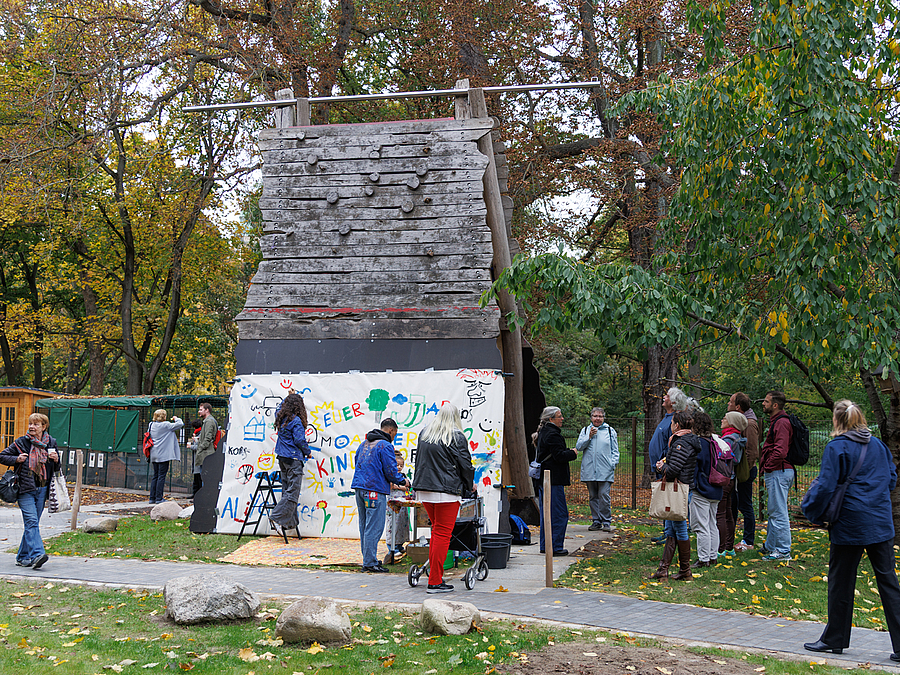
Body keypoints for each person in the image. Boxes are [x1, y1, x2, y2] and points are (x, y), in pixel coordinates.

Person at [801, 400, 900, 662]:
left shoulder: (837, 447)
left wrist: (810, 511)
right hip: (880, 522)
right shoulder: (878, 445)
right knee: (889, 582)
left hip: (849, 523)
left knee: (841, 581)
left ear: (837, 421)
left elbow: (825, 486)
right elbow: (891, 478)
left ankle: (834, 639)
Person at [412, 404, 474, 593]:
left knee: (436, 532)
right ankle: (435, 581)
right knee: (442, 534)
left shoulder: (425, 433)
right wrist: (469, 485)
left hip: (424, 488)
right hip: (446, 490)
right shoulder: (456, 435)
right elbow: (465, 464)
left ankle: (433, 577)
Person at [0, 412, 60, 570]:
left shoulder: (51, 442)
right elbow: (2, 455)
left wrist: (56, 460)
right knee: (32, 522)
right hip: (25, 490)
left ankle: (21, 557)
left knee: (31, 524)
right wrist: (16, 459)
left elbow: (56, 468)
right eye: (30, 424)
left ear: (43, 427)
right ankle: (37, 554)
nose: (32, 427)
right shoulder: (21, 442)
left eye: (36, 424)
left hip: (42, 489)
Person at [353, 418, 410, 574]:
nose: (394, 437)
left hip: (359, 487)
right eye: (395, 434)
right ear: (391, 431)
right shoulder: (385, 446)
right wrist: (403, 481)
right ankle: (370, 563)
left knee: (364, 525)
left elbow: (356, 461)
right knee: (374, 526)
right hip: (374, 490)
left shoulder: (364, 444)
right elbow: (391, 471)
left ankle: (368, 559)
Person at [650, 409, 699, 580]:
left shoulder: (681, 443)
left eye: (672, 423)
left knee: (679, 528)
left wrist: (661, 467)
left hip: (679, 491)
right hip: (678, 489)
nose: (670, 425)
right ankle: (663, 570)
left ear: (677, 425)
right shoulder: (684, 441)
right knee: (671, 529)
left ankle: (685, 571)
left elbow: (673, 470)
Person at [532, 406, 577, 557]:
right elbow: (559, 456)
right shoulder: (553, 434)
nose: (562, 418)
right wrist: (572, 453)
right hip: (553, 479)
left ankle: (546, 545)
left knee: (546, 513)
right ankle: (556, 546)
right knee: (558, 514)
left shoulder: (543, 432)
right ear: (551, 419)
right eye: (559, 416)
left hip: (544, 479)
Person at [648, 387, 690, 544]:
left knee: (669, 500)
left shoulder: (676, 420)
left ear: (673, 402)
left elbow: (672, 444)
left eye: (666, 396)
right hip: (660, 466)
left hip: (667, 467)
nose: (663, 397)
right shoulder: (667, 417)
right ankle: (667, 532)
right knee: (666, 499)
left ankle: (670, 535)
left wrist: (665, 462)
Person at [270, 393, 312, 537]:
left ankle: (288, 523)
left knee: (286, 490)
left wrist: (287, 397)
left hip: (282, 457)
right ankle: (276, 517)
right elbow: (300, 440)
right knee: (292, 492)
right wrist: (308, 452)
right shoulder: (296, 421)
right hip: (293, 458)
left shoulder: (280, 416)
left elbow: (278, 406)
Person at [760, 390, 794, 561]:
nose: (763, 404)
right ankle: (772, 546)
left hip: (779, 471)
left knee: (779, 511)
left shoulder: (781, 423)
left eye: (766, 402)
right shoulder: (777, 421)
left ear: (775, 405)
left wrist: (768, 465)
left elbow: (780, 450)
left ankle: (783, 550)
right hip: (778, 470)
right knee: (774, 510)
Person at [576, 407, 619, 532]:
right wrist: (588, 436)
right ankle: (596, 521)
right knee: (593, 496)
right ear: (591, 417)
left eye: (600, 416)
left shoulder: (610, 431)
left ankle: (606, 521)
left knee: (604, 495)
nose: (597, 418)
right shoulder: (585, 430)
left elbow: (615, 451)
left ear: (603, 418)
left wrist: (612, 464)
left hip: (605, 470)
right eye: (595, 416)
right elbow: (579, 446)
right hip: (590, 469)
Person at [689, 411, 722, 568]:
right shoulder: (716, 442)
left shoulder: (699, 444)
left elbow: (695, 466)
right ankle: (713, 556)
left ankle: (703, 559)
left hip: (702, 488)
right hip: (716, 487)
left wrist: (691, 484)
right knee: (712, 523)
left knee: (701, 525)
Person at [729, 392, 760, 552]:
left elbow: (751, 451)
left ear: (738, 406)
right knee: (733, 504)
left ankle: (748, 540)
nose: (728, 405)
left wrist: (743, 473)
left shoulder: (749, 424)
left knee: (745, 505)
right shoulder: (741, 422)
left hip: (745, 473)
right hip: (737, 473)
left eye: (730, 402)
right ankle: (730, 538)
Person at [715, 411, 747, 556]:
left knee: (720, 513)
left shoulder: (728, 439)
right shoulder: (737, 438)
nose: (722, 420)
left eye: (725, 418)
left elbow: (721, 457)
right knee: (728, 513)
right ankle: (728, 546)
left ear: (732, 423)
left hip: (723, 478)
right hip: (731, 479)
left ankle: (721, 548)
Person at [147, 409, 184, 505]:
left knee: (155, 475)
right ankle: (159, 498)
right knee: (161, 476)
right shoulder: (166, 425)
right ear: (163, 417)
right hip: (163, 455)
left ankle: (152, 498)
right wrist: (176, 418)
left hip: (153, 454)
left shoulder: (151, 425)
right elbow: (180, 424)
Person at [383, 450, 411, 564]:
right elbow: (390, 486)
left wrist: (398, 486)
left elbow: (408, 486)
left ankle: (400, 545)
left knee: (402, 524)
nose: (399, 467)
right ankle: (391, 547)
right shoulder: (389, 475)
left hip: (402, 504)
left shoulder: (403, 476)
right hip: (392, 503)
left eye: (401, 465)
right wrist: (400, 486)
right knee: (392, 524)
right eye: (397, 465)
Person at [193, 403, 219, 497]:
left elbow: (208, 438)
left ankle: (206, 498)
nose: (199, 411)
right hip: (206, 451)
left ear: (207, 410)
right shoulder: (207, 421)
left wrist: (200, 447)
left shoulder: (209, 422)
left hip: (206, 453)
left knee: (205, 477)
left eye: (201, 409)